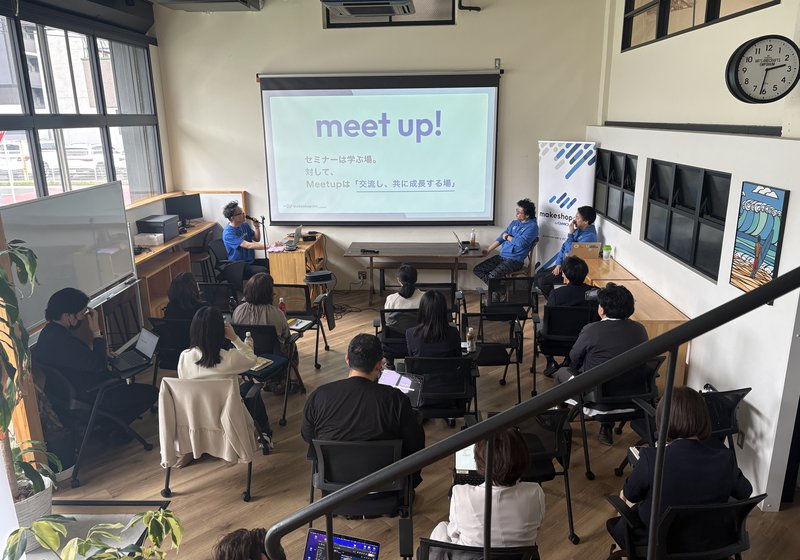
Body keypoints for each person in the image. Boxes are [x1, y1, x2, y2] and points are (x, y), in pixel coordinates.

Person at [607, 386, 752, 550]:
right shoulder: (725, 458)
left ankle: (620, 551)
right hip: (709, 543)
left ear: (663, 420)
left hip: (656, 544)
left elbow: (631, 495)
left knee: (624, 497)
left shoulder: (651, 458)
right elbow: (745, 492)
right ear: (704, 419)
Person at [301, 333, 425, 484]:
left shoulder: (319, 395)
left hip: (335, 489)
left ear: (347, 359)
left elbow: (308, 435)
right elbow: (414, 444)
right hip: (386, 486)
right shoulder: (396, 399)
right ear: (378, 364)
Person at [34, 288, 158, 431]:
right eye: (81, 314)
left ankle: (108, 426)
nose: (83, 318)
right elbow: (97, 365)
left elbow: (79, 359)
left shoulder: (48, 334)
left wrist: (102, 354)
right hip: (93, 397)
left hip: (69, 397)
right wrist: (96, 332)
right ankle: (114, 430)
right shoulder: (64, 342)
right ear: (68, 315)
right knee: (151, 392)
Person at [552, 282, 648, 446]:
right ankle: (606, 428)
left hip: (598, 402)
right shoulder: (640, 329)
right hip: (634, 401)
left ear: (601, 310)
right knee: (613, 376)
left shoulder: (591, 329)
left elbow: (574, 357)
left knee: (562, 373)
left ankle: (558, 423)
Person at [177, 306, 273, 457]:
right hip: (228, 416)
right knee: (251, 387)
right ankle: (265, 435)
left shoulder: (184, 356)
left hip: (198, 416)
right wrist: (235, 338)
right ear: (220, 332)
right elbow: (251, 359)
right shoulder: (229, 358)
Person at [430, 428, 545, 547]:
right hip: (518, 554)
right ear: (524, 457)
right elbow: (537, 528)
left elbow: (454, 535)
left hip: (473, 554)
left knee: (442, 527)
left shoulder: (460, 494)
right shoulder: (536, 492)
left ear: (478, 462)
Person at [541, 255, 594, 376]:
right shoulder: (594, 293)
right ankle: (568, 361)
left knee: (539, 326)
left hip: (555, 342)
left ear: (565, 274)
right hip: (584, 341)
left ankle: (551, 362)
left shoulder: (556, 294)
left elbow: (548, 320)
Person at [232, 272, 298, 367]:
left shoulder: (238, 310)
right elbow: (286, 336)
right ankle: (291, 375)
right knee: (293, 346)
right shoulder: (277, 313)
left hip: (246, 356)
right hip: (273, 357)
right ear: (270, 293)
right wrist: (283, 317)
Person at [535, 205, 597, 297]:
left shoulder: (589, 236)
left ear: (586, 221)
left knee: (542, 281)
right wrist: (558, 264)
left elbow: (572, 252)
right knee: (538, 276)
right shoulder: (578, 230)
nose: (574, 220)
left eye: (577, 217)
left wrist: (570, 234)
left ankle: (556, 300)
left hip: (572, 270)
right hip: (564, 264)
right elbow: (564, 247)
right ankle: (556, 299)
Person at [473, 198, 539, 284]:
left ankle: (498, 290)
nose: (516, 214)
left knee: (493, 277)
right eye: (517, 211)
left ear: (527, 215)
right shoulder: (514, 223)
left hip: (515, 261)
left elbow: (521, 243)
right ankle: (501, 289)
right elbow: (502, 237)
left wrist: (507, 237)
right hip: (501, 257)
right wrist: (488, 249)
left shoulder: (532, 227)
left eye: (519, 212)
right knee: (478, 269)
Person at [406, 290, 461, 358]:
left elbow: (412, 360)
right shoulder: (453, 333)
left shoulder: (411, 334)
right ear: (444, 310)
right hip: (447, 365)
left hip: (421, 365)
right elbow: (459, 359)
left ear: (422, 310)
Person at [222, 200, 269, 280]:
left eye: (242, 212)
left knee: (270, 263)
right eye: (240, 213)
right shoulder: (228, 233)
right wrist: (269, 247)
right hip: (239, 265)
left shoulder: (244, 225)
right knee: (263, 271)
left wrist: (257, 227)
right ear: (232, 218)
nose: (244, 215)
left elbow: (257, 239)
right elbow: (248, 245)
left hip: (250, 261)